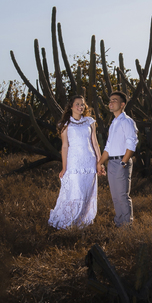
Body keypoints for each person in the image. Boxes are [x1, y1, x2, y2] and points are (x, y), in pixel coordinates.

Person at [48, 95, 101, 229]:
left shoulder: (90, 121)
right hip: (74, 162)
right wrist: (64, 168)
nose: (80, 107)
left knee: (87, 192)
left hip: (89, 161)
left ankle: (82, 221)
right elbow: (65, 146)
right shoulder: (65, 125)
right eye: (77, 104)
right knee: (76, 192)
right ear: (71, 106)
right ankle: (69, 220)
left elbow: (95, 143)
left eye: (82, 104)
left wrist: (99, 163)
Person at [97, 91, 137, 226]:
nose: (111, 102)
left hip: (121, 162)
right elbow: (108, 147)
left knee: (122, 196)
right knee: (115, 197)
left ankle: (127, 227)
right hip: (112, 162)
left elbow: (132, 144)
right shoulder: (114, 122)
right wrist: (100, 163)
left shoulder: (127, 121)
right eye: (110, 100)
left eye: (115, 100)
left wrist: (123, 162)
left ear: (122, 104)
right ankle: (119, 222)